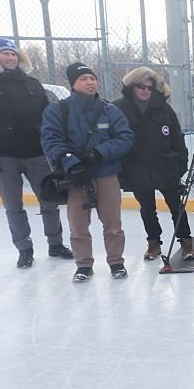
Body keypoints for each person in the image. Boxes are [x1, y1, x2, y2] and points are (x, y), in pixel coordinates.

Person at [0, 37, 72, 268]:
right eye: (4, 54)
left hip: (37, 153)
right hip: (3, 156)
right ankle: (24, 249)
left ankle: (55, 243)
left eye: (13, 54)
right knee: (13, 205)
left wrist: (53, 146)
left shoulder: (31, 83)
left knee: (49, 200)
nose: (11, 58)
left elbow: (48, 119)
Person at [40, 62, 134, 282]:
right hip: (75, 178)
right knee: (78, 225)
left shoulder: (110, 110)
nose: (89, 82)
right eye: (83, 78)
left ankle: (116, 262)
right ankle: (83, 265)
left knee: (113, 224)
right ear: (71, 84)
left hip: (107, 174)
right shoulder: (57, 111)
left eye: (92, 78)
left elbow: (125, 138)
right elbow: (51, 140)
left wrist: (99, 153)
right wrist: (71, 162)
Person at [113, 67, 194, 261]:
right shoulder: (119, 109)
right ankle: (154, 243)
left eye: (149, 88)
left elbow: (177, 137)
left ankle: (186, 242)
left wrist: (180, 163)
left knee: (177, 207)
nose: (145, 91)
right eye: (141, 86)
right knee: (147, 209)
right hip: (137, 168)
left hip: (165, 167)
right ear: (132, 86)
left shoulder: (164, 110)